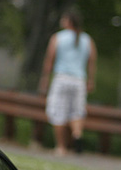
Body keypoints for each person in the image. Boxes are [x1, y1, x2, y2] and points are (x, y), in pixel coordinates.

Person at [39, 9, 97, 155]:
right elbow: (92, 61)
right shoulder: (87, 39)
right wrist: (90, 80)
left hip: (62, 78)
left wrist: (45, 78)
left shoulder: (58, 38)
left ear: (68, 21)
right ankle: (77, 135)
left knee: (58, 111)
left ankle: (61, 146)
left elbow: (49, 60)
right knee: (77, 111)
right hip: (79, 80)